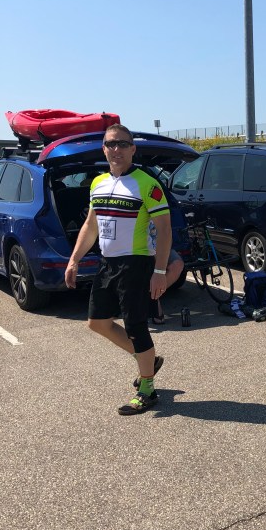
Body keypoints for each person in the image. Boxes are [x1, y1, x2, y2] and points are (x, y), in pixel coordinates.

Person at [64, 124, 172, 415]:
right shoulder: (98, 183)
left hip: (136, 263)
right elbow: (91, 225)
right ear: (104, 149)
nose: (116, 149)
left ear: (132, 149)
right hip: (107, 262)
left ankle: (147, 390)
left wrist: (160, 272)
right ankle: (148, 360)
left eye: (123, 144)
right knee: (97, 322)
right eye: (111, 144)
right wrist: (74, 260)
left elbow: (164, 230)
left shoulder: (147, 184)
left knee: (136, 326)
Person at [150, 248, 185, 324]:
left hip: (160, 247)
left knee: (177, 264)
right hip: (138, 249)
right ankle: (154, 299)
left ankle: (153, 295)